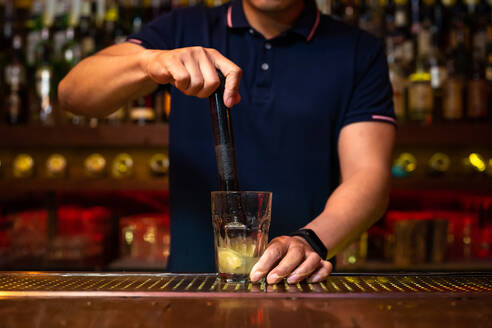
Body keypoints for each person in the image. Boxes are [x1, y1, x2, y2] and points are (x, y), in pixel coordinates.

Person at [58, 0, 396, 284]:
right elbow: (73, 94)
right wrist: (151, 63)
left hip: (299, 286)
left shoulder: (357, 51)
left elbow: (368, 176)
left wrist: (310, 241)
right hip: (192, 289)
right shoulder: (184, 29)